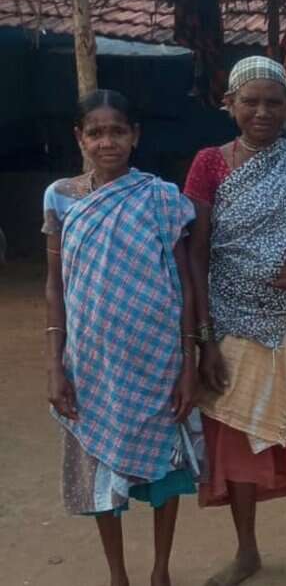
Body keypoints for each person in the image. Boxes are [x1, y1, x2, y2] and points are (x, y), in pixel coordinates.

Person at [186, 56, 286, 586]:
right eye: (250, 101)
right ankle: (247, 550)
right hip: (232, 323)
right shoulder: (209, 164)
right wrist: (205, 341)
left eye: (273, 102)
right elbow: (197, 252)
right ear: (229, 104)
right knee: (235, 436)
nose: (261, 111)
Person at [44, 90, 201, 586]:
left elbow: (184, 282)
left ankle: (160, 571)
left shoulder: (160, 197)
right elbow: (55, 282)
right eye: (95, 132)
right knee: (97, 474)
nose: (106, 142)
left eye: (117, 131)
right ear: (80, 138)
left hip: (155, 356)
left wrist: (188, 361)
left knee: (164, 473)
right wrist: (55, 363)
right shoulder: (61, 197)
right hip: (90, 362)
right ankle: (118, 576)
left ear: (135, 136)